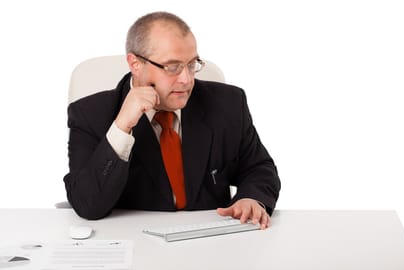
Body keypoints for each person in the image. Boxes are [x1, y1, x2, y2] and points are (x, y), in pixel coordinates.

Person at [63, 12, 280, 228]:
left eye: (192, 64)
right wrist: (122, 128)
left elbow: (258, 168)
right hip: (135, 246)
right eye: (172, 67)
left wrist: (251, 198)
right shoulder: (89, 114)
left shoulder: (228, 104)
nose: (186, 79)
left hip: (209, 244)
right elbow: (88, 204)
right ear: (135, 64)